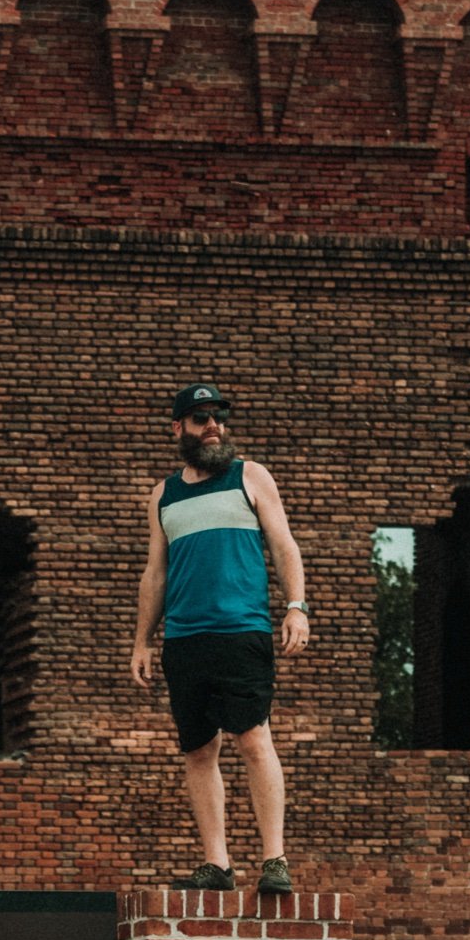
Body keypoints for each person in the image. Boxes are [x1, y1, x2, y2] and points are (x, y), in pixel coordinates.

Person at [130, 380, 309, 892]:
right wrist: (143, 641)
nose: (213, 427)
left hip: (242, 631)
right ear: (179, 428)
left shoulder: (250, 476)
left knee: (253, 738)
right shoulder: (163, 495)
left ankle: (273, 860)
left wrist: (296, 608)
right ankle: (218, 864)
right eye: (200, 418)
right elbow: (155, 573)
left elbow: (284, 545)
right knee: (198, 750)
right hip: (185, 639)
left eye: (218, 418)